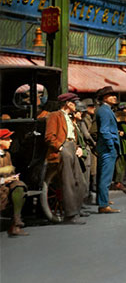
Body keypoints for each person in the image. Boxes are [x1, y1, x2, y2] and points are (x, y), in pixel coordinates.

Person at [44, 91, 88, 224]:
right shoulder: (55, 116)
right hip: (63, 149)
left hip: (72, 148)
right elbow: (49, 137)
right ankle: (70, 215)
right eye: (74, 103)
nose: (76, 105)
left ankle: (77, 209)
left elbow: (73, 136)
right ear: (68, 104)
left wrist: (78, 147)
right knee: (68, 182)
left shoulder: (69, 117)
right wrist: (61, 148)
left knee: (81, 182)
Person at [95, 86, 121, 213]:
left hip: (104, 147)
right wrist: (111, 146)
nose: (114, 97)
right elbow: (104, 131)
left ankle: (102, 200)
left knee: (103, 175)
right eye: (111, 95)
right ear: (105, 98)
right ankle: (103, 205)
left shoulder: (105, 109)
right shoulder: (105, 111)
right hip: (107, 148)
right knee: (106, 177)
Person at [0, 128, 28, 237]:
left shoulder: (7, 155)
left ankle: (16, 224)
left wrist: (13, 177)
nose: (11, 140)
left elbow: (10, 171)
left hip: (6, 186)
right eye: (7, 138)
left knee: (19, 186)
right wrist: (4, 180)